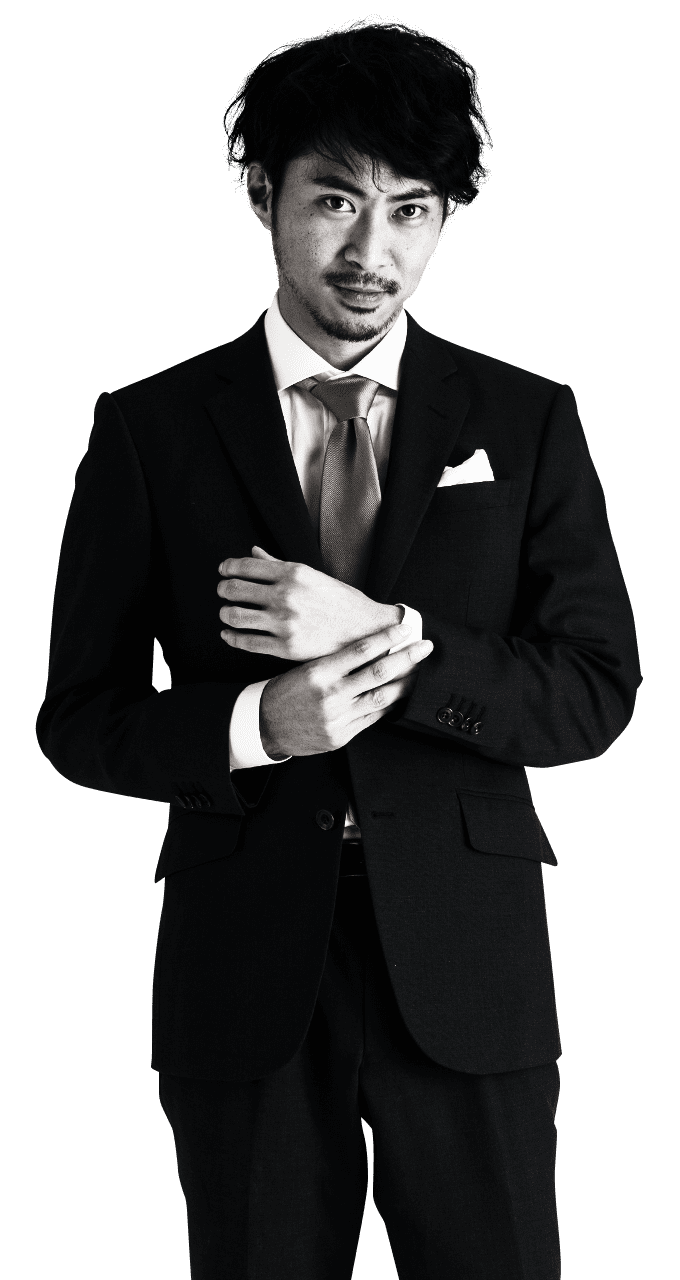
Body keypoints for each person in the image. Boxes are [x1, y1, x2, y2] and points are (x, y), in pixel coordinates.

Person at [36, 18, 641, 1280]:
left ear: (444, 217)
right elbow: (81, 716)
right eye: (334, 201)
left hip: (468, 958)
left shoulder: (527, 416)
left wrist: (382, 641)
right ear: (262, 194)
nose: (373, 252)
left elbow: (592, 692)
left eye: (411, 209)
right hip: (244, 966)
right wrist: (258, 726)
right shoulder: (148, 427)